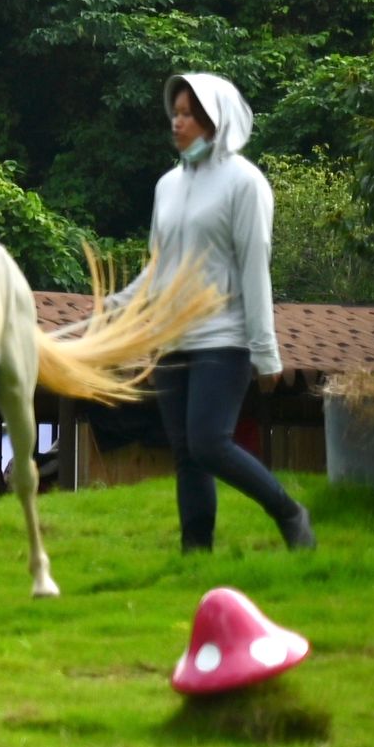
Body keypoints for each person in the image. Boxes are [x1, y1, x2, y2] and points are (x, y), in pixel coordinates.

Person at [133, 72, 314, 554]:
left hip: (223, 338)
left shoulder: (245, 183)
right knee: (186, 455)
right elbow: (155, 268)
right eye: (176, 111)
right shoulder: (166, 186)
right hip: (172, 339)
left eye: (189, 114)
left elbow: (255, 267)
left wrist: (266, 352)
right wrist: (118, 312)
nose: (178, 122)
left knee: (210, 444)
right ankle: (196, 553)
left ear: (216, 123)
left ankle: (290, 513)